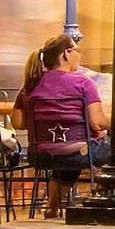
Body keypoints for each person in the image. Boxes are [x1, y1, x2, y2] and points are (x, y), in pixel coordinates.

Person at [15, 35, 105, 219]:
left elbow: (18, 123)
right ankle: (110, 202)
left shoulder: (29, 86)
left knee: (67, 160)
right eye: (77, 51)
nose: (79, 55)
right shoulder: (84, 83)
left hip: (40, 155)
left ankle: (52, 208)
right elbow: (97, 122)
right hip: (80, 153)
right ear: (66, 54)